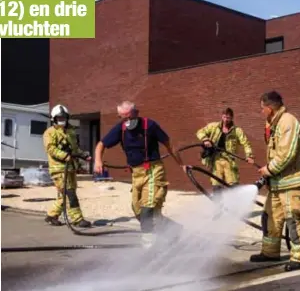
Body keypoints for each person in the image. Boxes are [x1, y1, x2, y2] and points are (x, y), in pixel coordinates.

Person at [93, 101, 186, 246]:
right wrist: (98, 161)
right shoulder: (121, 129)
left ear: (136, 113)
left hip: (153, 171)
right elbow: (101, 145)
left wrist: (182, 164)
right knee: (138, 211)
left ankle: (149, 247)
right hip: (136, 174)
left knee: (147, 210)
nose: (128, 121)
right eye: (123, 118)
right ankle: (173, 230)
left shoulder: (150, 125)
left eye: (130, 116)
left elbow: (169, 144)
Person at [250, 91, 300, 272]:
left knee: (294, 219)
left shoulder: (288, 122)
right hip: (278, 184)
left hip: (293, 183)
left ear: (269, 108)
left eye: (262, 108)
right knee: (270, 217)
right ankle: (270, 252)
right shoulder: (273, 124)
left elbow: (287, 153)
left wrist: (268, 169)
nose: (261, 112)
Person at [43, 104, 92, 228]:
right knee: (70, 193)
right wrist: (64, 156)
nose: (62, 120)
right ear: (53, 119)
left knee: (65, 193)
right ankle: (77, 219)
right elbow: (51, 149)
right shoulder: (50, 132)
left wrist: (84, 156)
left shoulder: (70, 131)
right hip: (58, 169)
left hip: (70, 168)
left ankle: (51, 216)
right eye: (59, 118)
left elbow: (74, 149)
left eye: (64, 118)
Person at [196, 107, 254, 196]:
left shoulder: (237, 131)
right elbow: (200, 132)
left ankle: (233, 207)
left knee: (233, 185)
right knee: (216, 184)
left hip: (229, 160)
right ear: (222, 117)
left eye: (228, 118)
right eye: (224, 117)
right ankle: (219, 207)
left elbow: (246, 143)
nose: (226, 120)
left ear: (232, 118)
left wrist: (249, 155)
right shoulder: (213, 126)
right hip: (215, 160)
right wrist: (205, 139)